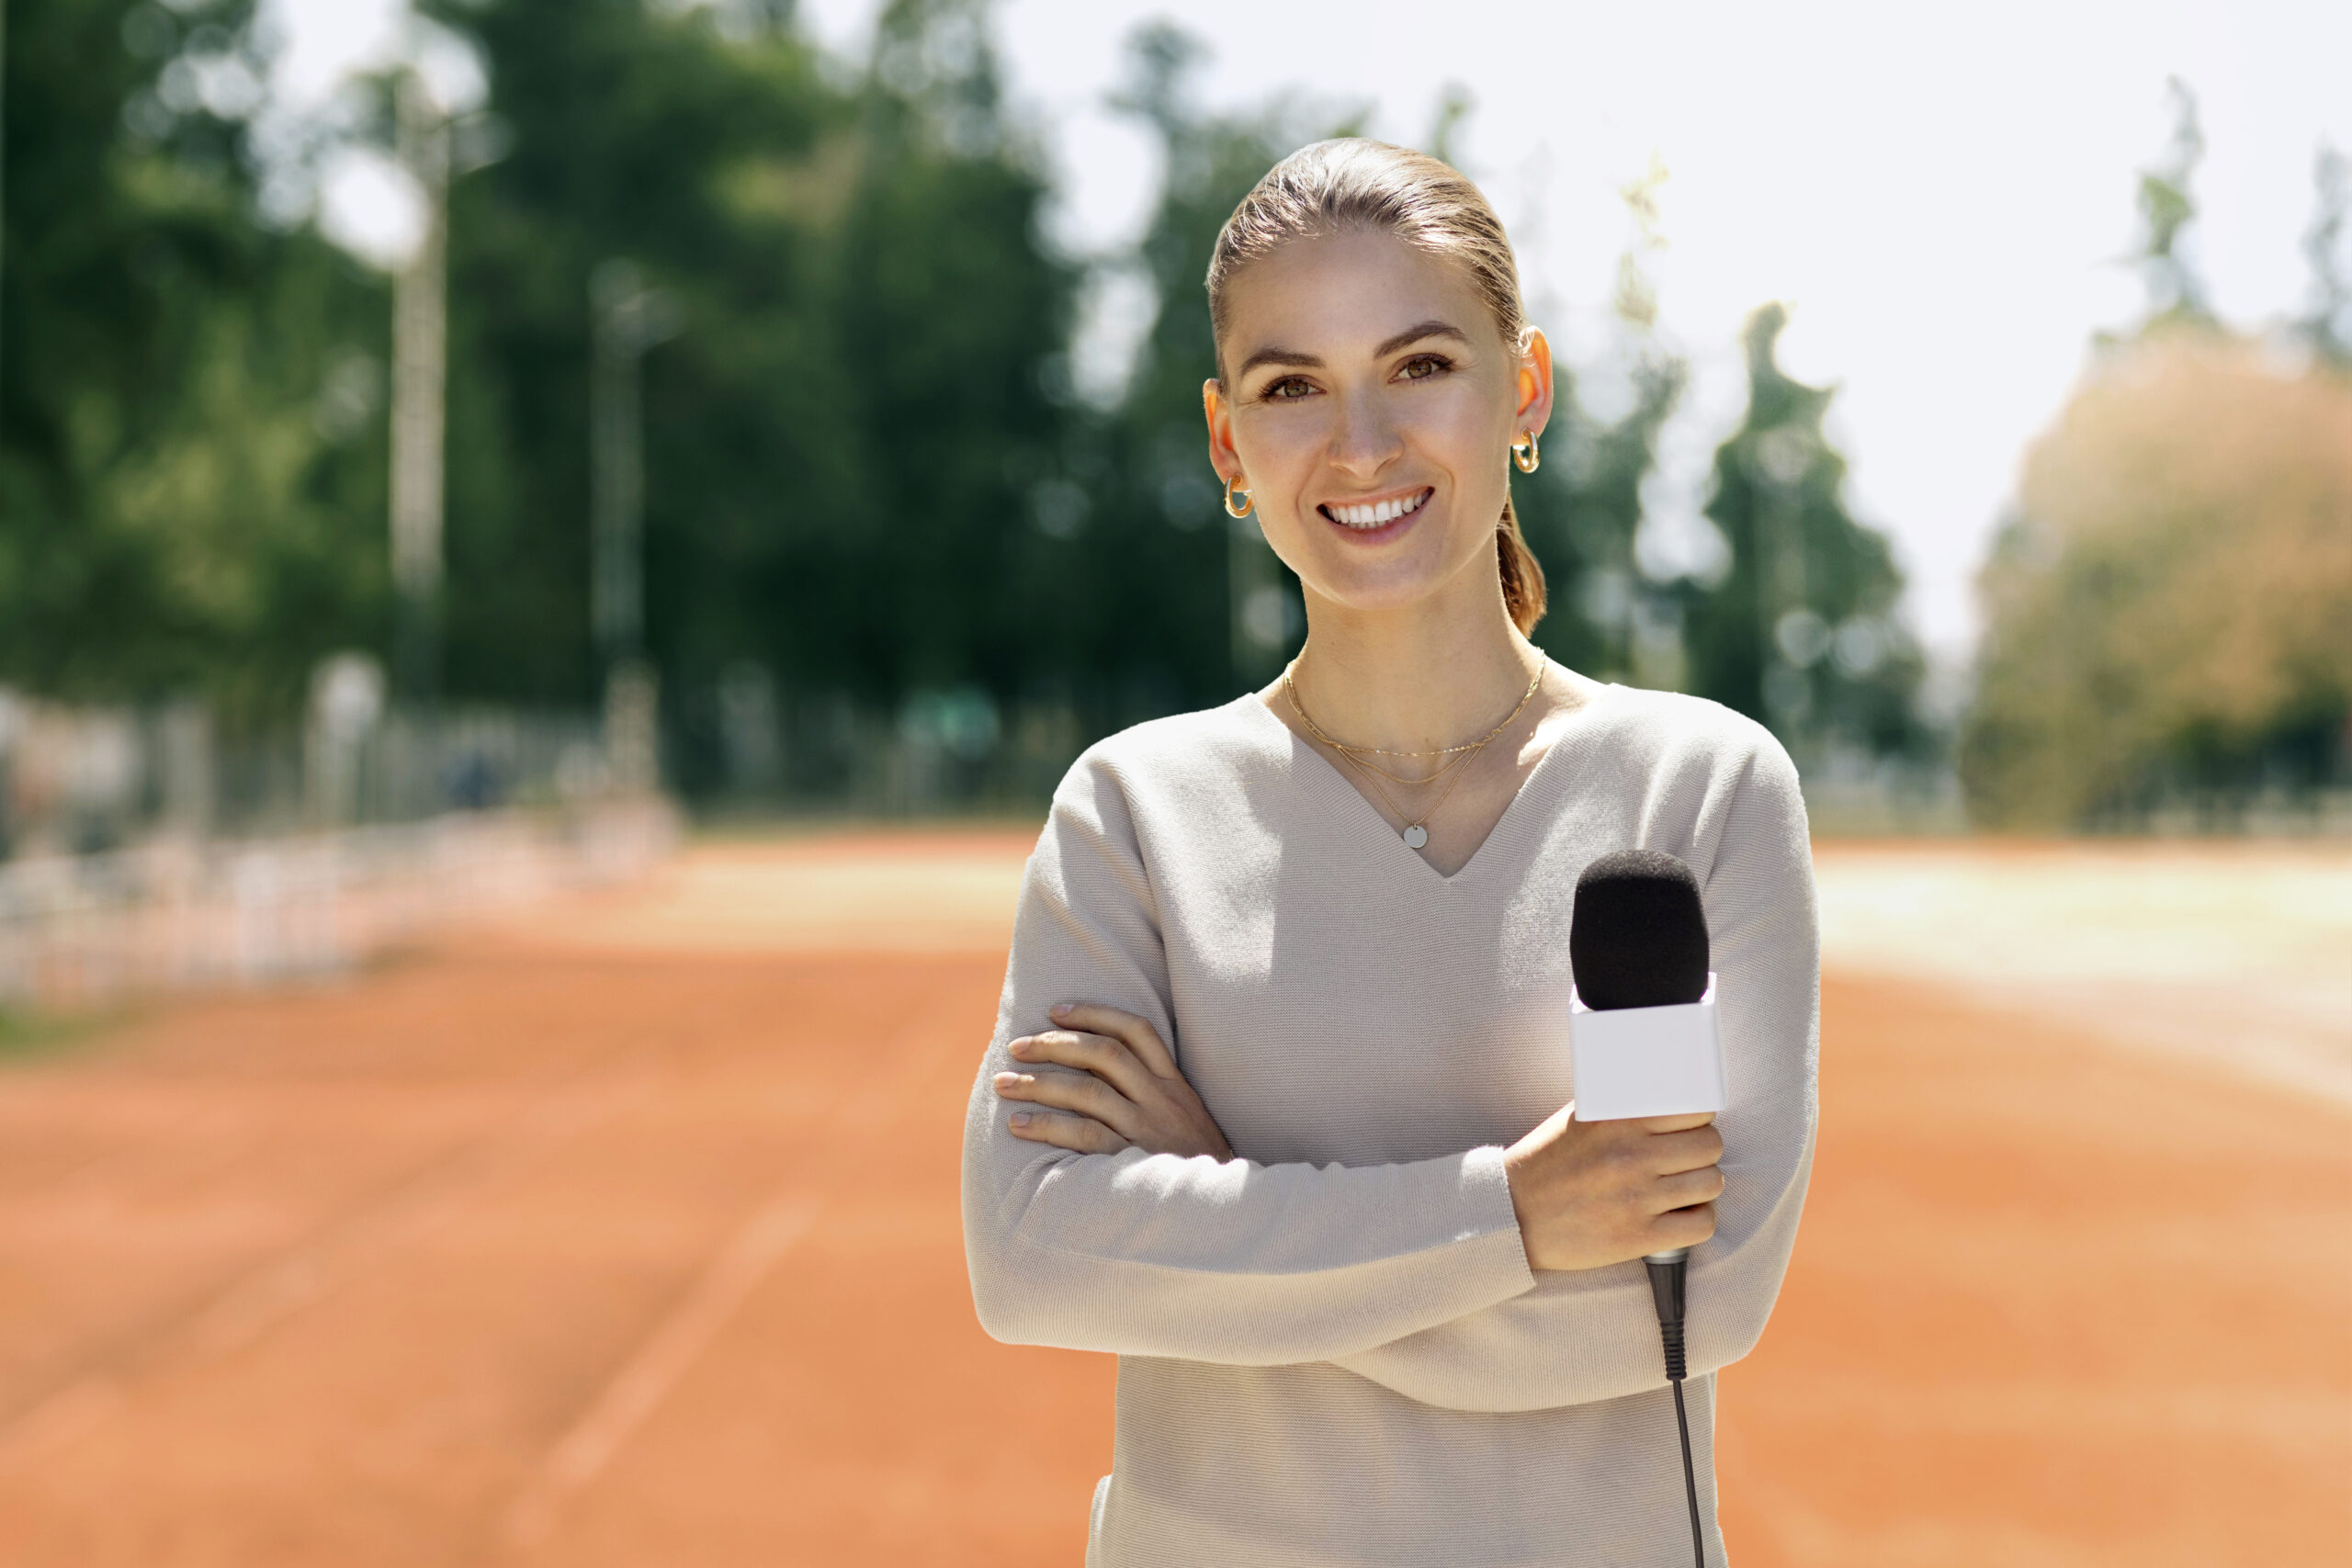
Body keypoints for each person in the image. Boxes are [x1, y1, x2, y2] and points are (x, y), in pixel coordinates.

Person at [961, 138, 1818, 1567]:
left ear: (1522, 386)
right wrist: (1520, 1218)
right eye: (1292, 386)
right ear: (1230, 442)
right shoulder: (1135, 812)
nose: (1359, 445)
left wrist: (1227, 1214)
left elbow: (1694, 1304)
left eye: (1419, 364)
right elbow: (1034, 1256)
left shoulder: (1697, 794)